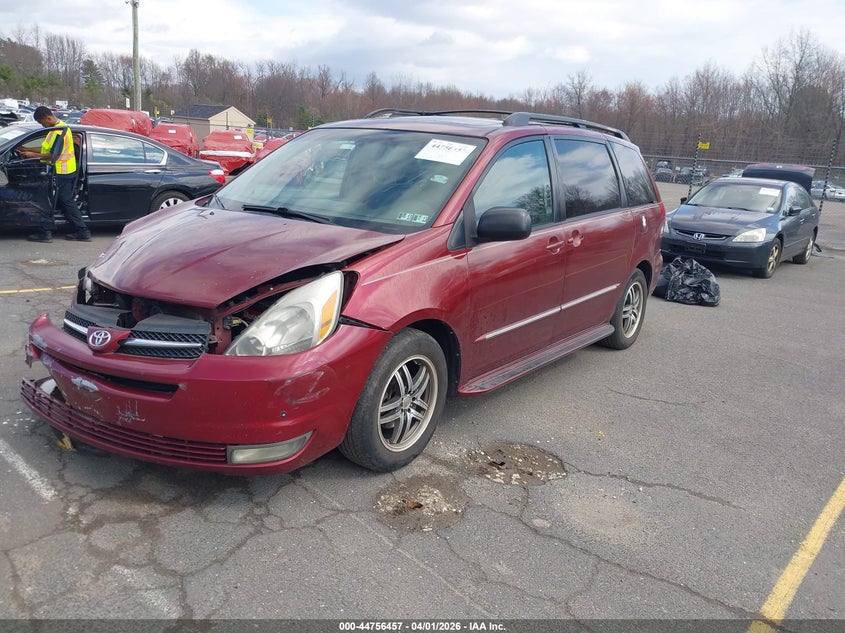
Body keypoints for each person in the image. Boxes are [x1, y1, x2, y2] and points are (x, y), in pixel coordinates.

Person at [19, 106, 91, 242]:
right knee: (66, 202)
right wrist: (26, 148)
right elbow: (46, 148)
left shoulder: (59, 131)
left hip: (59, 172)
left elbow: (53, 155)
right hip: (64, 171)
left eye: (42, 122)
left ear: (48, 117)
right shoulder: (57, 129)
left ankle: (45, 232)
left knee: (45, 201)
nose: (42, 125)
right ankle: (82, 231)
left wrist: (31, 155)